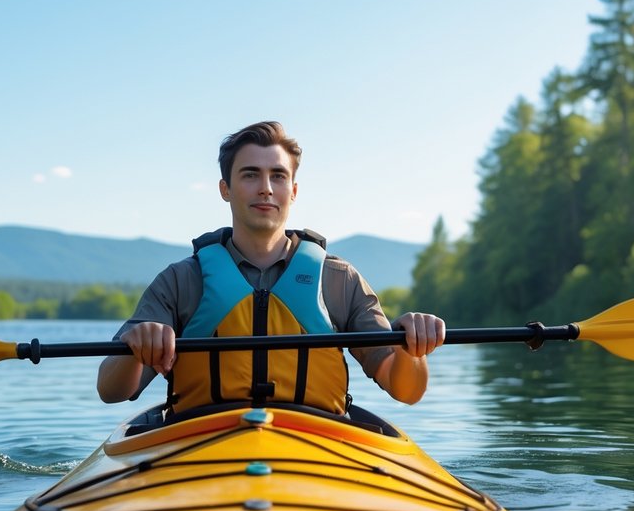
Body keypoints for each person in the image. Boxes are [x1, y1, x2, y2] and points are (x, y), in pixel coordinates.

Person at [96, 120, 445, 413]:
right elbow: (111, 390)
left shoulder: (339, 280)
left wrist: (411, 348)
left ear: (292, 191)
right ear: (225, 189)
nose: (265, 189)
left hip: (316, 443)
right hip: (201, 440)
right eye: (250, 175)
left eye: (277, 176)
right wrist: (135, 347)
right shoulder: (180, 280)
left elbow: (406, 391)